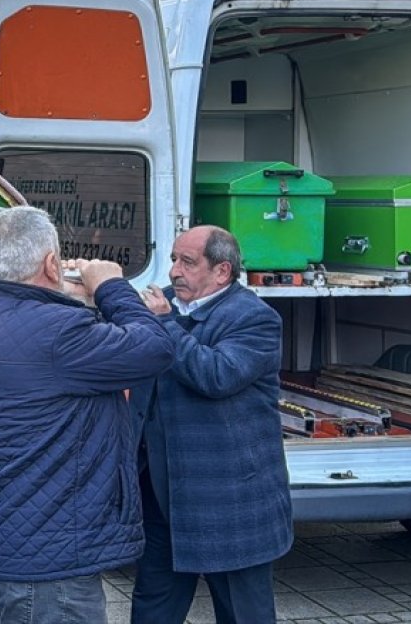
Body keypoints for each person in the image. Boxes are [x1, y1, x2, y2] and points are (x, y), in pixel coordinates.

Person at [0, 207, 174, 624]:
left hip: (18, 542)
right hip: (49, 563)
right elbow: (155, 348)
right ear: (52, 263)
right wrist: (111, 285)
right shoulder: (57, 333)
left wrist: (77, 299)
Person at [130, 226, 292, 624]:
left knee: (242, 612)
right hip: (164, 494)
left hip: (230, 501)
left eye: (187, 262)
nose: (173, 272)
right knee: (152, 606)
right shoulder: (166, 304)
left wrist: (163, 326)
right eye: (172, 260)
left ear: (222, 272)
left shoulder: (254, 318)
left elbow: (216, 375)